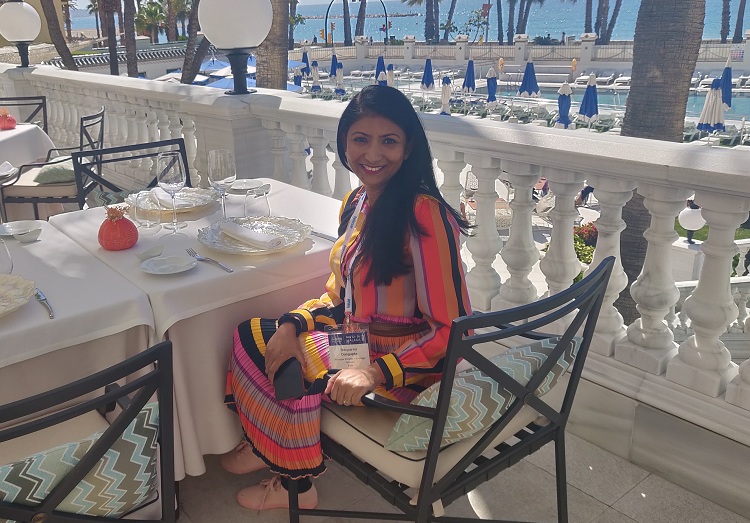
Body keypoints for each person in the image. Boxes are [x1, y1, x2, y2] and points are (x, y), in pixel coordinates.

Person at [221, 85, 472, 512]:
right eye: (360, 139)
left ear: (408, 147)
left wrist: (374, 374)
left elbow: (453, 329)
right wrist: (291, 324)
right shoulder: (357, 202)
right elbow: (341, 296)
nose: (372, 154)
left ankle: (296, 481)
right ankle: (269, 444)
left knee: (287, 367)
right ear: (343, 143)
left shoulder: (424, 213)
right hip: (357, 341)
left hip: (407, 367)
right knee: (258, 337)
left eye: (388, 141)